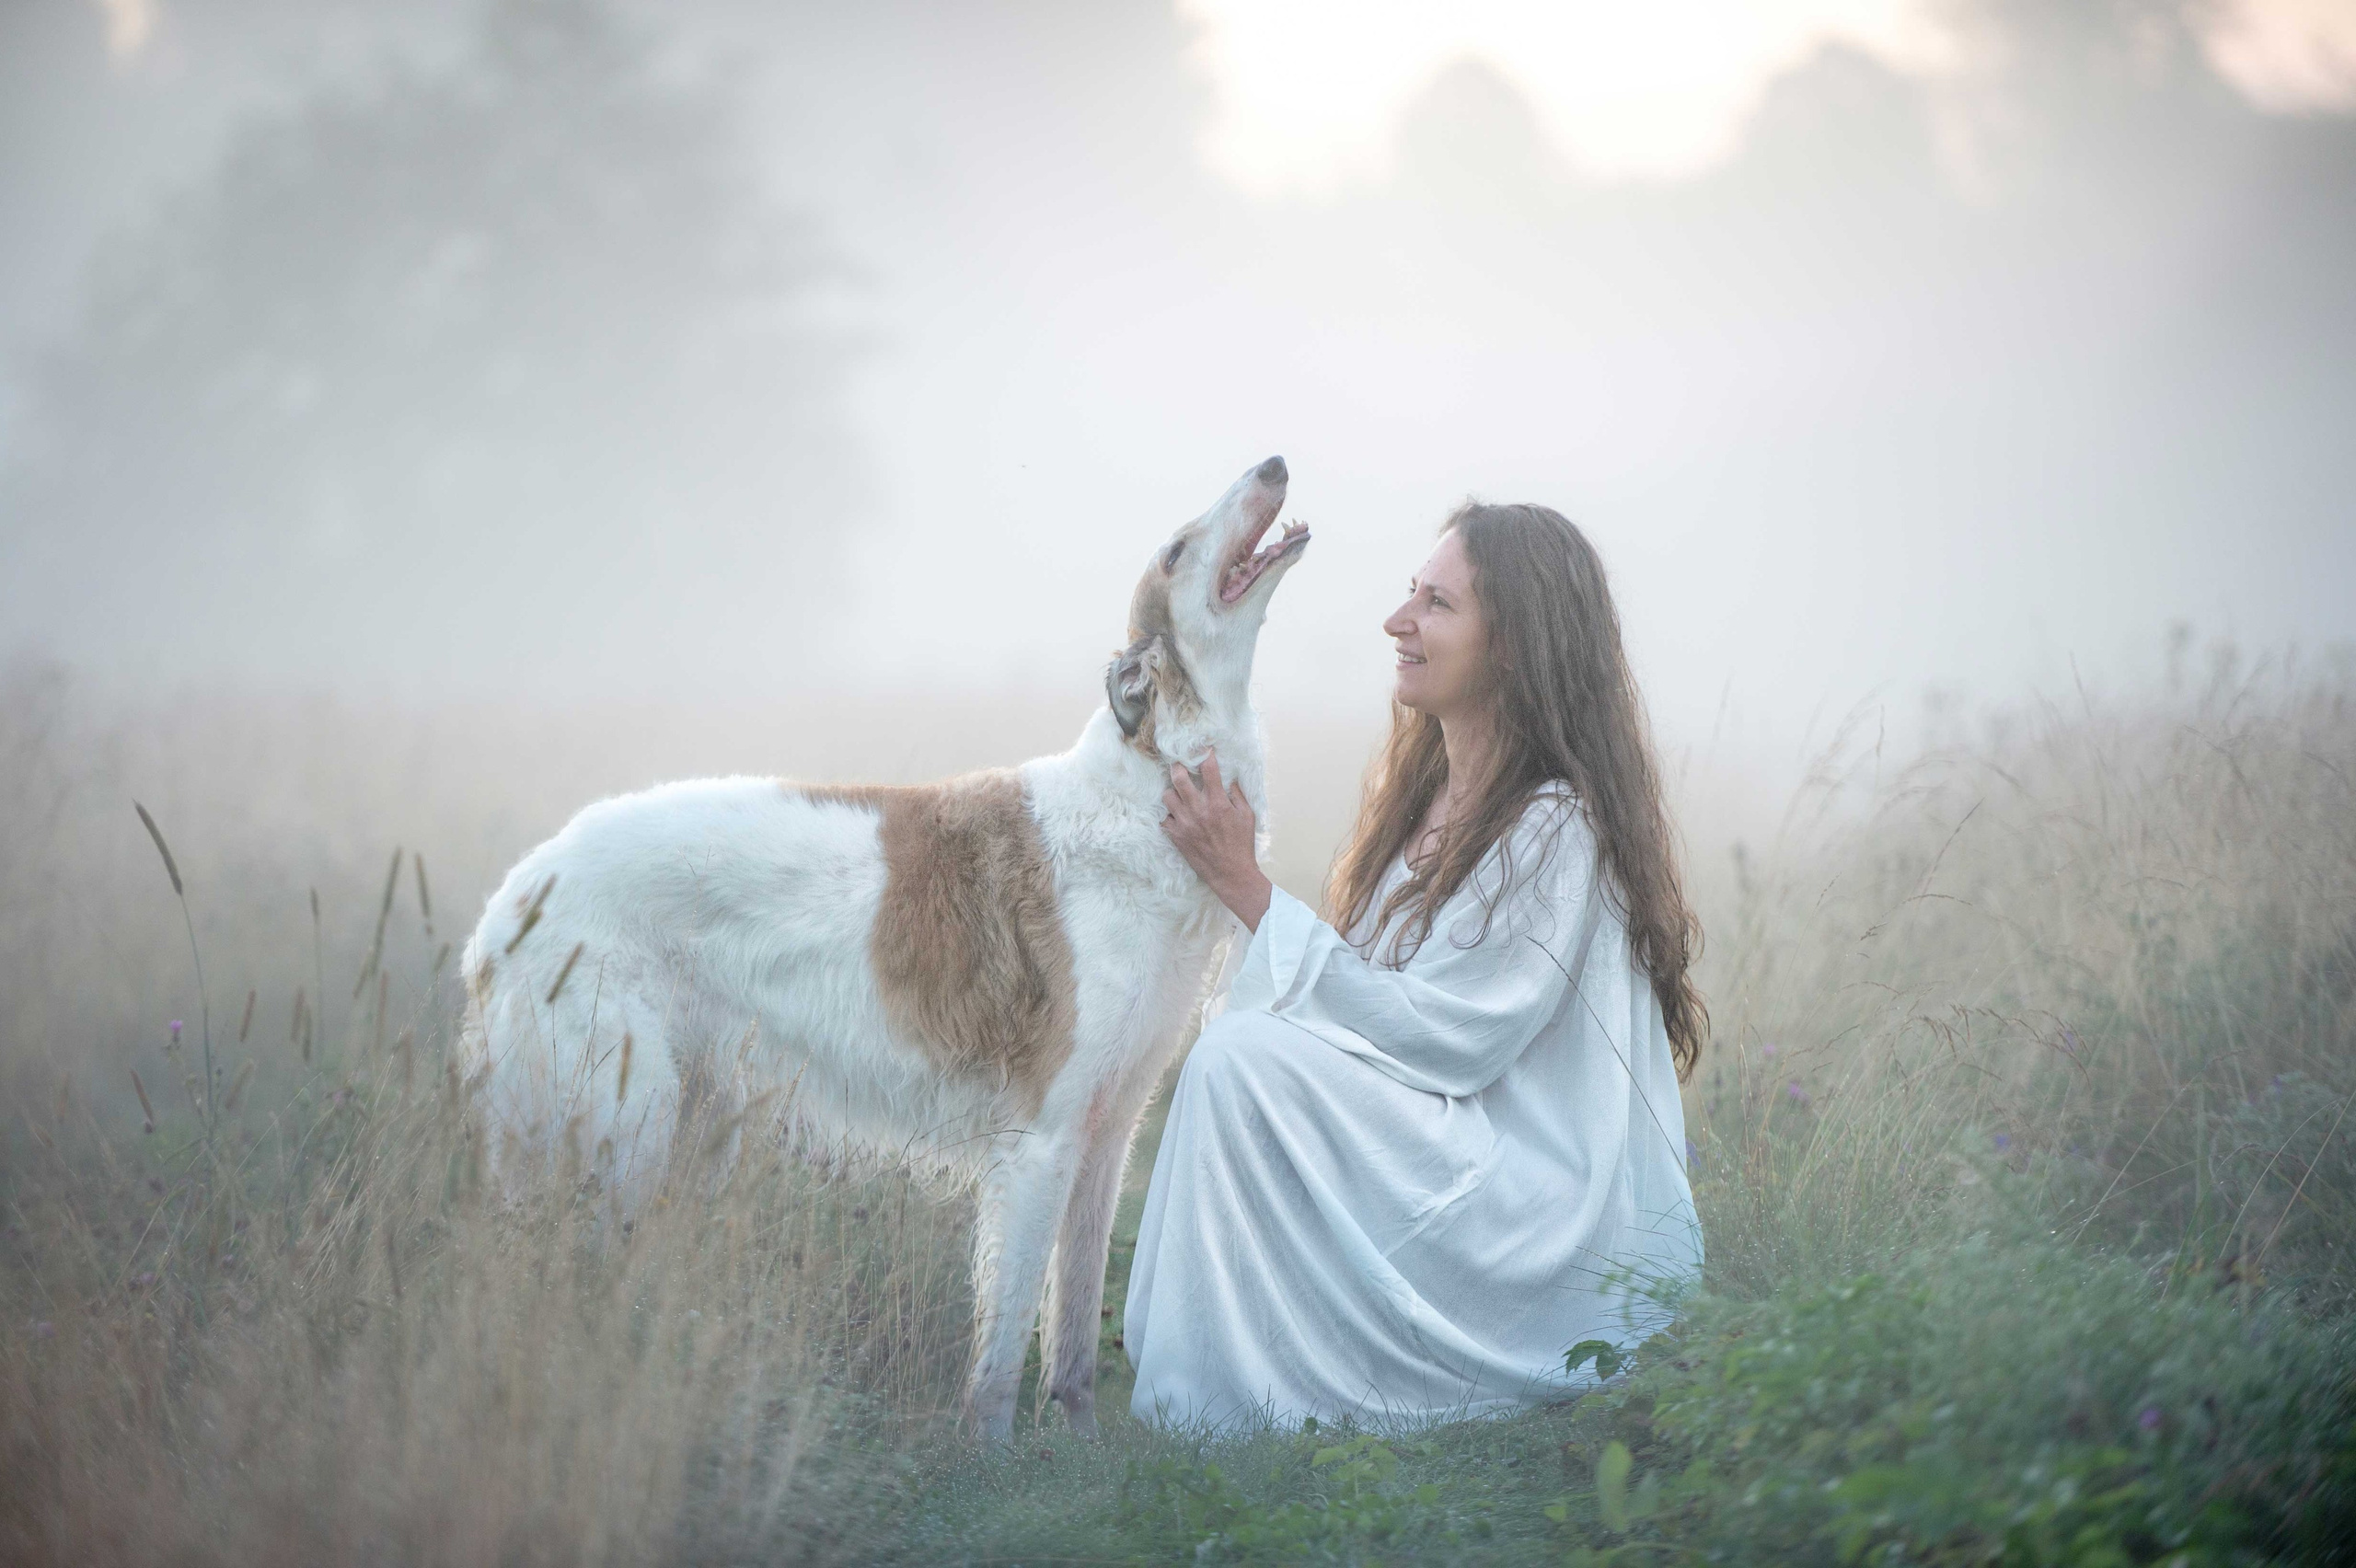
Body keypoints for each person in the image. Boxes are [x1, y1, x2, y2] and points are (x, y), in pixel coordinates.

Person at [1126, 500, 1705, 1431]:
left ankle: (1217, 1408)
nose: (1398, 621)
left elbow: (1447, 1041)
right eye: (1411, 594)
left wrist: (1249, 889)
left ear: (1512, 644)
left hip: (1531, 1211)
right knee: (1244, 1056)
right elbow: (1354, 1021)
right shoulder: (1428, 804)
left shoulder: (1557, 826)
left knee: (1242, 1063)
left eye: (1437, 604)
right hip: (1444, 1151)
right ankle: (1220, 1387)